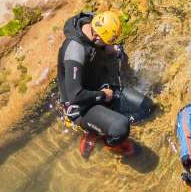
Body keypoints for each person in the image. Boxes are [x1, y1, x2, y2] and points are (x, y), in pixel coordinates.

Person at [57, 10, 153, 157]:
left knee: (146, 106)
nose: (109, 45)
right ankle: (103, 138)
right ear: (97, 36)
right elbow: (75, 96)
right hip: (81, 106)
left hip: (101, 89)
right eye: (106, 42)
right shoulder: (75, 50)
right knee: (120, 128)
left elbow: (110, 47)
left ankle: (102, 123)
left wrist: (113, 50)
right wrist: (103, 95)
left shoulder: (93, 23)